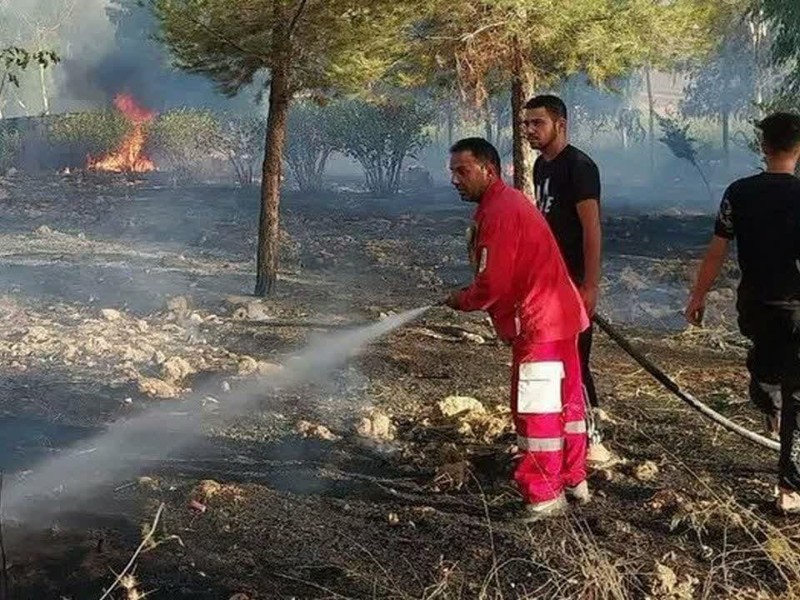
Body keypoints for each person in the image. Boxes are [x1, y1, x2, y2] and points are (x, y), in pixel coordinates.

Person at [443, 137, 590, 521]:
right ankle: (574, 479)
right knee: (567, 403)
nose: (456, 180)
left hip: (539, 323)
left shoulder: (499, 211)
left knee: (537, 410)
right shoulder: (506, 203)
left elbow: (495, 282)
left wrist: (463, 299)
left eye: (463, 171)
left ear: (488, 170)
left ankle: (543, 494)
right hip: (561, 317)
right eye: (453, 172)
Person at [685, 112, 800, 514]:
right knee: (796, 396)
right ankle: (789, 490)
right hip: (794, 311)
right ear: (798, 149)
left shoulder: (739, 192)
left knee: (775, 379)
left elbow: (717, 249)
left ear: (764, 147)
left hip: (754, 309)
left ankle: (768, 390)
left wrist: (697, 295)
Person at [523, 94, 613, 467]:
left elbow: (591, 229)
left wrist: (589, 286)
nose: (529, 131)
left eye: (537, 123)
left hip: (574, 282)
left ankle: (592, 439)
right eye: (526, 124)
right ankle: (558, 433)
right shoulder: (541, 167)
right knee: (551, 361)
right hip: (548, 283)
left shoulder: (579, 167)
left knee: (577, 360)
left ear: (560, 124)